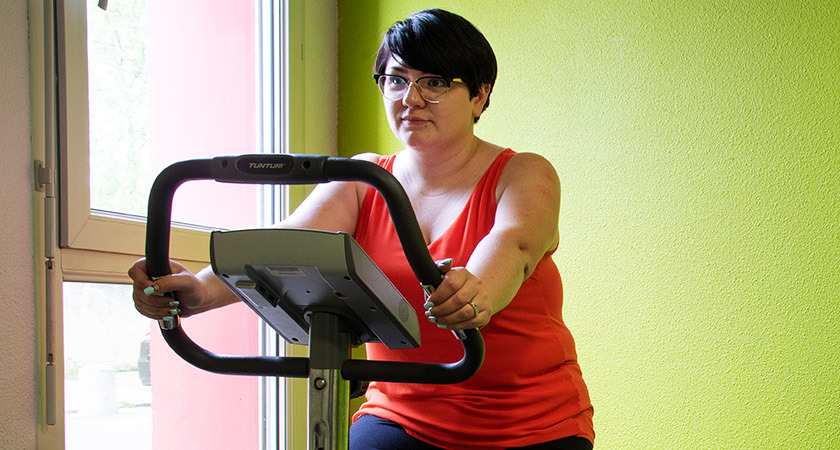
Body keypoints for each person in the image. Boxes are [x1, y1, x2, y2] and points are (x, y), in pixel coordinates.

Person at [128, 9, 594, 450]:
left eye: (433, 82)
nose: (410, 99)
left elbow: (514, 243)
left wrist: (477, 292)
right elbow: (283, 245)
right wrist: (197, 291)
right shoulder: (363, 179)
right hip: (403, 413)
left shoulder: (523, 173)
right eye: (396, 80)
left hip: (531, 420)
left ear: (479, 95)